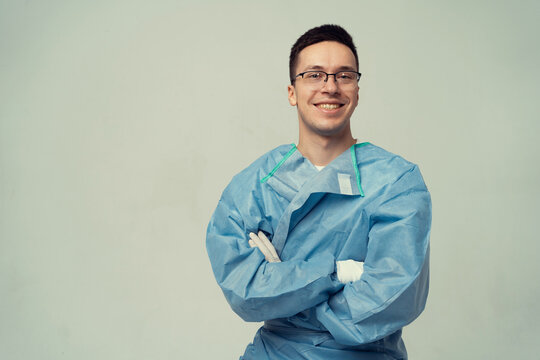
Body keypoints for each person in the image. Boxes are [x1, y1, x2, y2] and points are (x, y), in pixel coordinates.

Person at [206, 24, 431, 359]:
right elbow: (245, 292)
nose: (330, 87)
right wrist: (339, 271)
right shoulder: (255, 185)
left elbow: (394, 297)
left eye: (344, 75)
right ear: (292, 92)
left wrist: (285, 287)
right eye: (314, 75)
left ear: (356, 89)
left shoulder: (396, 182)